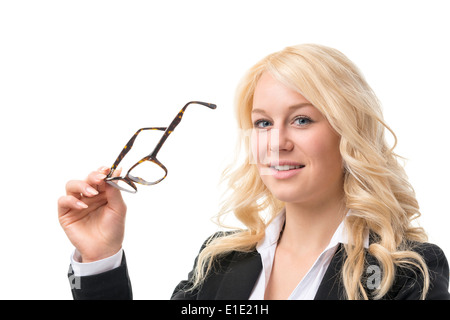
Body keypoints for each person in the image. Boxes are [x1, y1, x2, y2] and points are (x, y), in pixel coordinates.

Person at [58, 44, 450, 300]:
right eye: (263, 123)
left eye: (301, 120)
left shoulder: (408, 272)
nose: (276, 142)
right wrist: (100, 258)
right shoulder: (221, 260)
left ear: (349, 133)